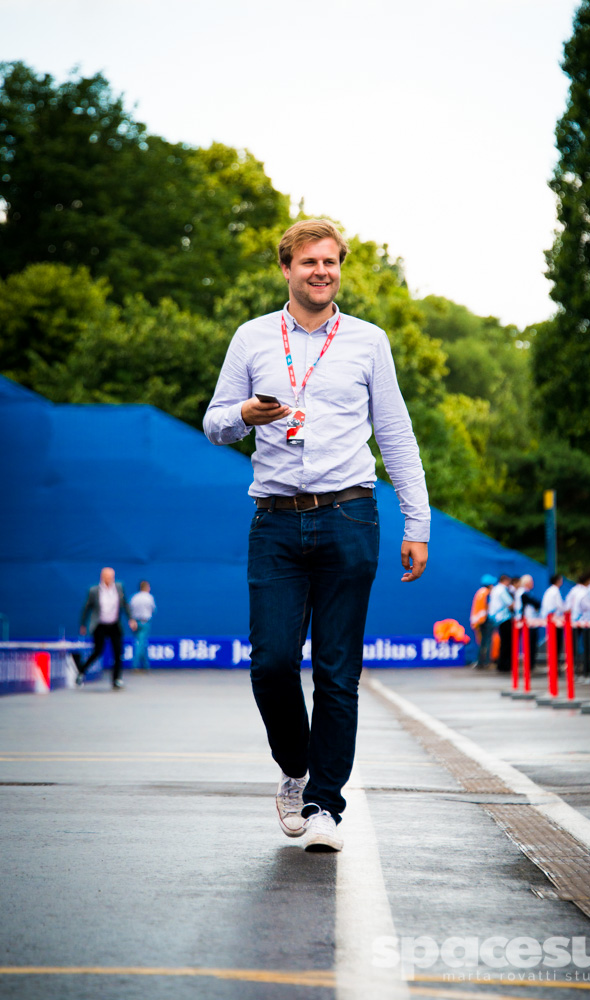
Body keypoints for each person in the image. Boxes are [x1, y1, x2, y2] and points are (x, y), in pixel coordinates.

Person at [203, 219, 429, 852]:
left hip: (350, 515)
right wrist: (245, 415)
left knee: (337, 671)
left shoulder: (368, 342)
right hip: (275, 519)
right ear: (287, 269)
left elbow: (396, 435)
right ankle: (296, 769)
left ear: (340, 268)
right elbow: (214, 422)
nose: (321, 272)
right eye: (309, 262)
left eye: (331, 262)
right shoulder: (251, 339)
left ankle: (326, 804)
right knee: (272, 663)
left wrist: (419, 523)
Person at [75, 567, 136, 689]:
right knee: (98, 651)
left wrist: (131, 619)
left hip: (114, 625)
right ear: (102, 577)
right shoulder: (94, 590)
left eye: (112, 576)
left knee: (118, 652)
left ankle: (116, 679)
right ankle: (81, 671)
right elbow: (87, 608)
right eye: (107, 577)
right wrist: (83, 624)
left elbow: (124, 604)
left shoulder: (119, 587)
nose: (110, 579)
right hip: (100, 625)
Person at [488, 574, 514, 672]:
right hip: (504, 618)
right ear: (506, 580)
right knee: (507, 643)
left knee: (503, 642)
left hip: (497, 618)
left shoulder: (495, 589)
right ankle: (504, 664)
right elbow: (510, 603)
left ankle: (501, 663)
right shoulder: (502, 590)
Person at [469, 574, 496, 668]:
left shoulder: (479, 592)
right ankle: (487, 662)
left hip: (479, 620)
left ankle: (480, 661)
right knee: (487, 641)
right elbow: (489, 607)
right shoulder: (487, 593)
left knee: (482, 642)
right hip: (485, 620)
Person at [129, 581, 156, 671]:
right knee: (140, 643)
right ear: (146, 587)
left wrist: (132, 620)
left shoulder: (134, 597)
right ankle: (135, 665)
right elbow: (153, 609)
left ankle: (146, 665)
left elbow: (129, 610)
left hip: (135, 622)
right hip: (145, 622)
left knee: (141, 642)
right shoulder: (149, 597)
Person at [541, 573, 565, 666]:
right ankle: (555, 664)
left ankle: (552, 664)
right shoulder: (555, 591)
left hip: (550, 620)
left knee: (552, 643)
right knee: (556, 643)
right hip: (555, 621)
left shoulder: (549, 591)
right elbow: (560, 606)